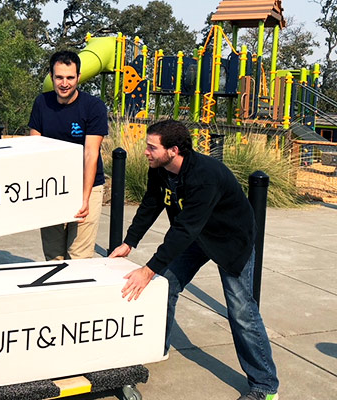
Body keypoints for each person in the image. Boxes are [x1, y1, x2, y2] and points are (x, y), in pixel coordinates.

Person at [110, 120, 279, 400]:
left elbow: (184, 228)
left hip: (229, 239)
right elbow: (151, 204)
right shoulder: (161, 169)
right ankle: (156, 348)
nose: (146, 152)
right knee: (165, 288)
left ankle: (264, 385)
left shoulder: (205, 175)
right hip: (197, 236)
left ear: (173, 150)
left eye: (152, 147)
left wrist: (149, 269)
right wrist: (129, 242)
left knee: (241, 310)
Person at [28, 50, 108, 260]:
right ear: (51, 77)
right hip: (51, 186)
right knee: (53, 257)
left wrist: (85, 198)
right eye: (59, 77)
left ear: (78, 77)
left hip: (86, 185)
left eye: (70, 77)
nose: (64, 83)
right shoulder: (41, 103)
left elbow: (91, 153)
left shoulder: (94, 107)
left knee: (78, 257)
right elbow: (35, 149)